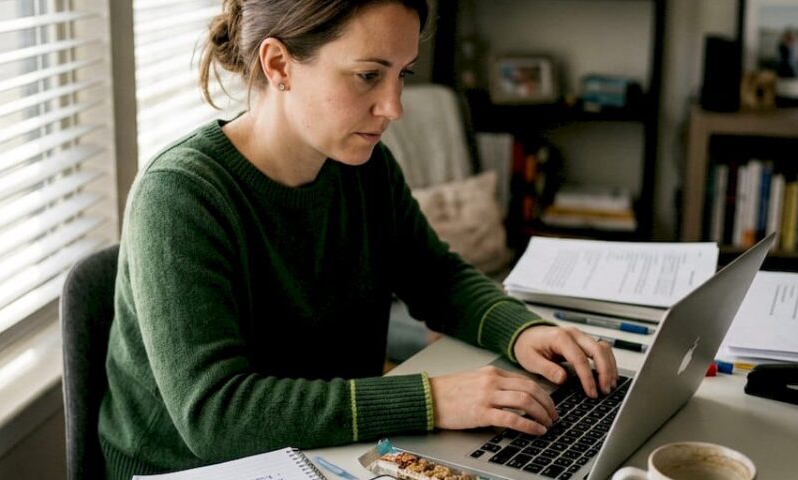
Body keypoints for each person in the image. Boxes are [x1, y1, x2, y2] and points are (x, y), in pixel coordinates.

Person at [98, 0, 618, 477]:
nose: (394, 107)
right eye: (368, 75)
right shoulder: (181, 195)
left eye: (401, 75)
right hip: (191, 468)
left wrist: (522, 332)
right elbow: (216, 417)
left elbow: (435, 277)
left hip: (330, 455)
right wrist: (433, 399)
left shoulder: (361, 167)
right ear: (278, 65)